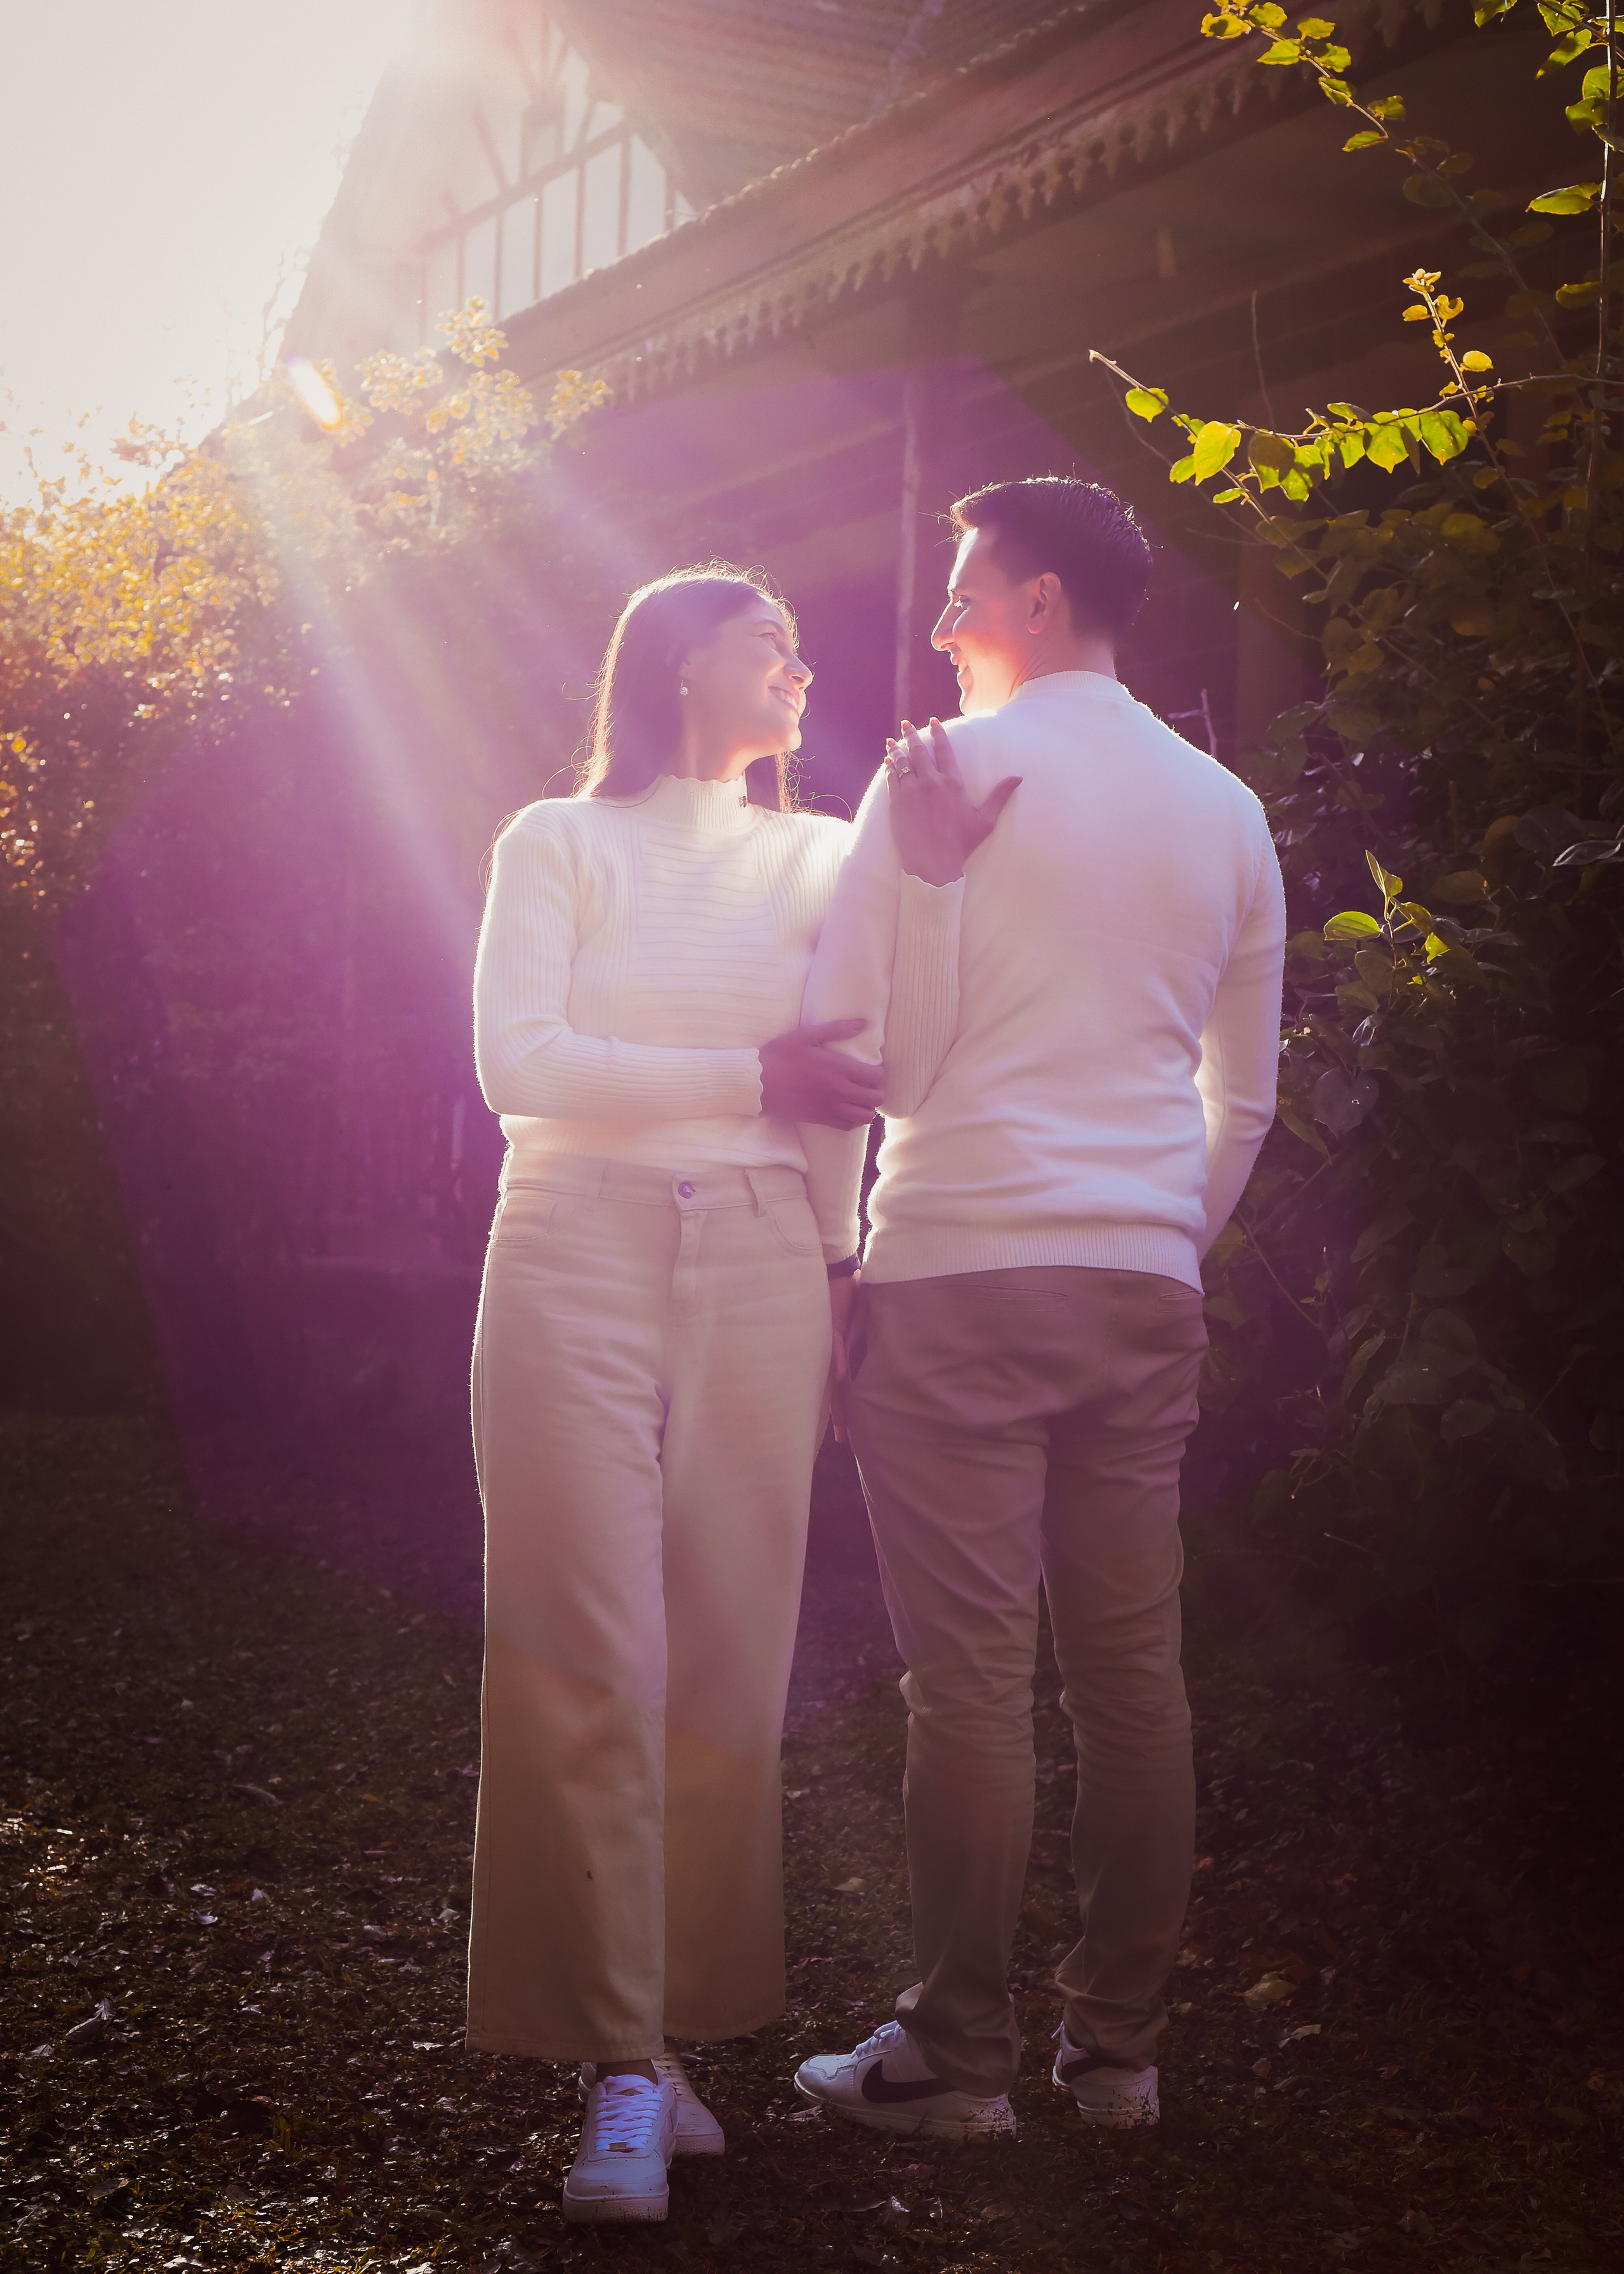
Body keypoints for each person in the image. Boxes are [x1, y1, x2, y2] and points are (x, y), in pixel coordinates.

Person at [464, 564, 990, 2224]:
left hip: (769, 1256)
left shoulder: (826, 856)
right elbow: (520, 1062)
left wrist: (838, 1269)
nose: (801, 669)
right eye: (773, 644)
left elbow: (866, 1075)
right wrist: (741, 1076)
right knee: (582, 1653)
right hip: (571, 1244)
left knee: (725, 1666)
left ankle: (671, 2037)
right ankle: (622, 2064)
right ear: (682, 664)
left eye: (800, 653)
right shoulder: (557, 842)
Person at [796, 477, 1287, 2141]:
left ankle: (956, 2063)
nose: (942, 630)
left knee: (971, 1688)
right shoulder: (1228, 808)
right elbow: (1247, 1099)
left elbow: (865, 1062)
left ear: (1041, 601)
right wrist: (1157, 1236)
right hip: (1142, 1283)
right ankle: (1119, 2057)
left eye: (962, 597)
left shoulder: (934, 780)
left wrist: (836, 1259)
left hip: (954, 1269)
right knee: (1134, 1678)